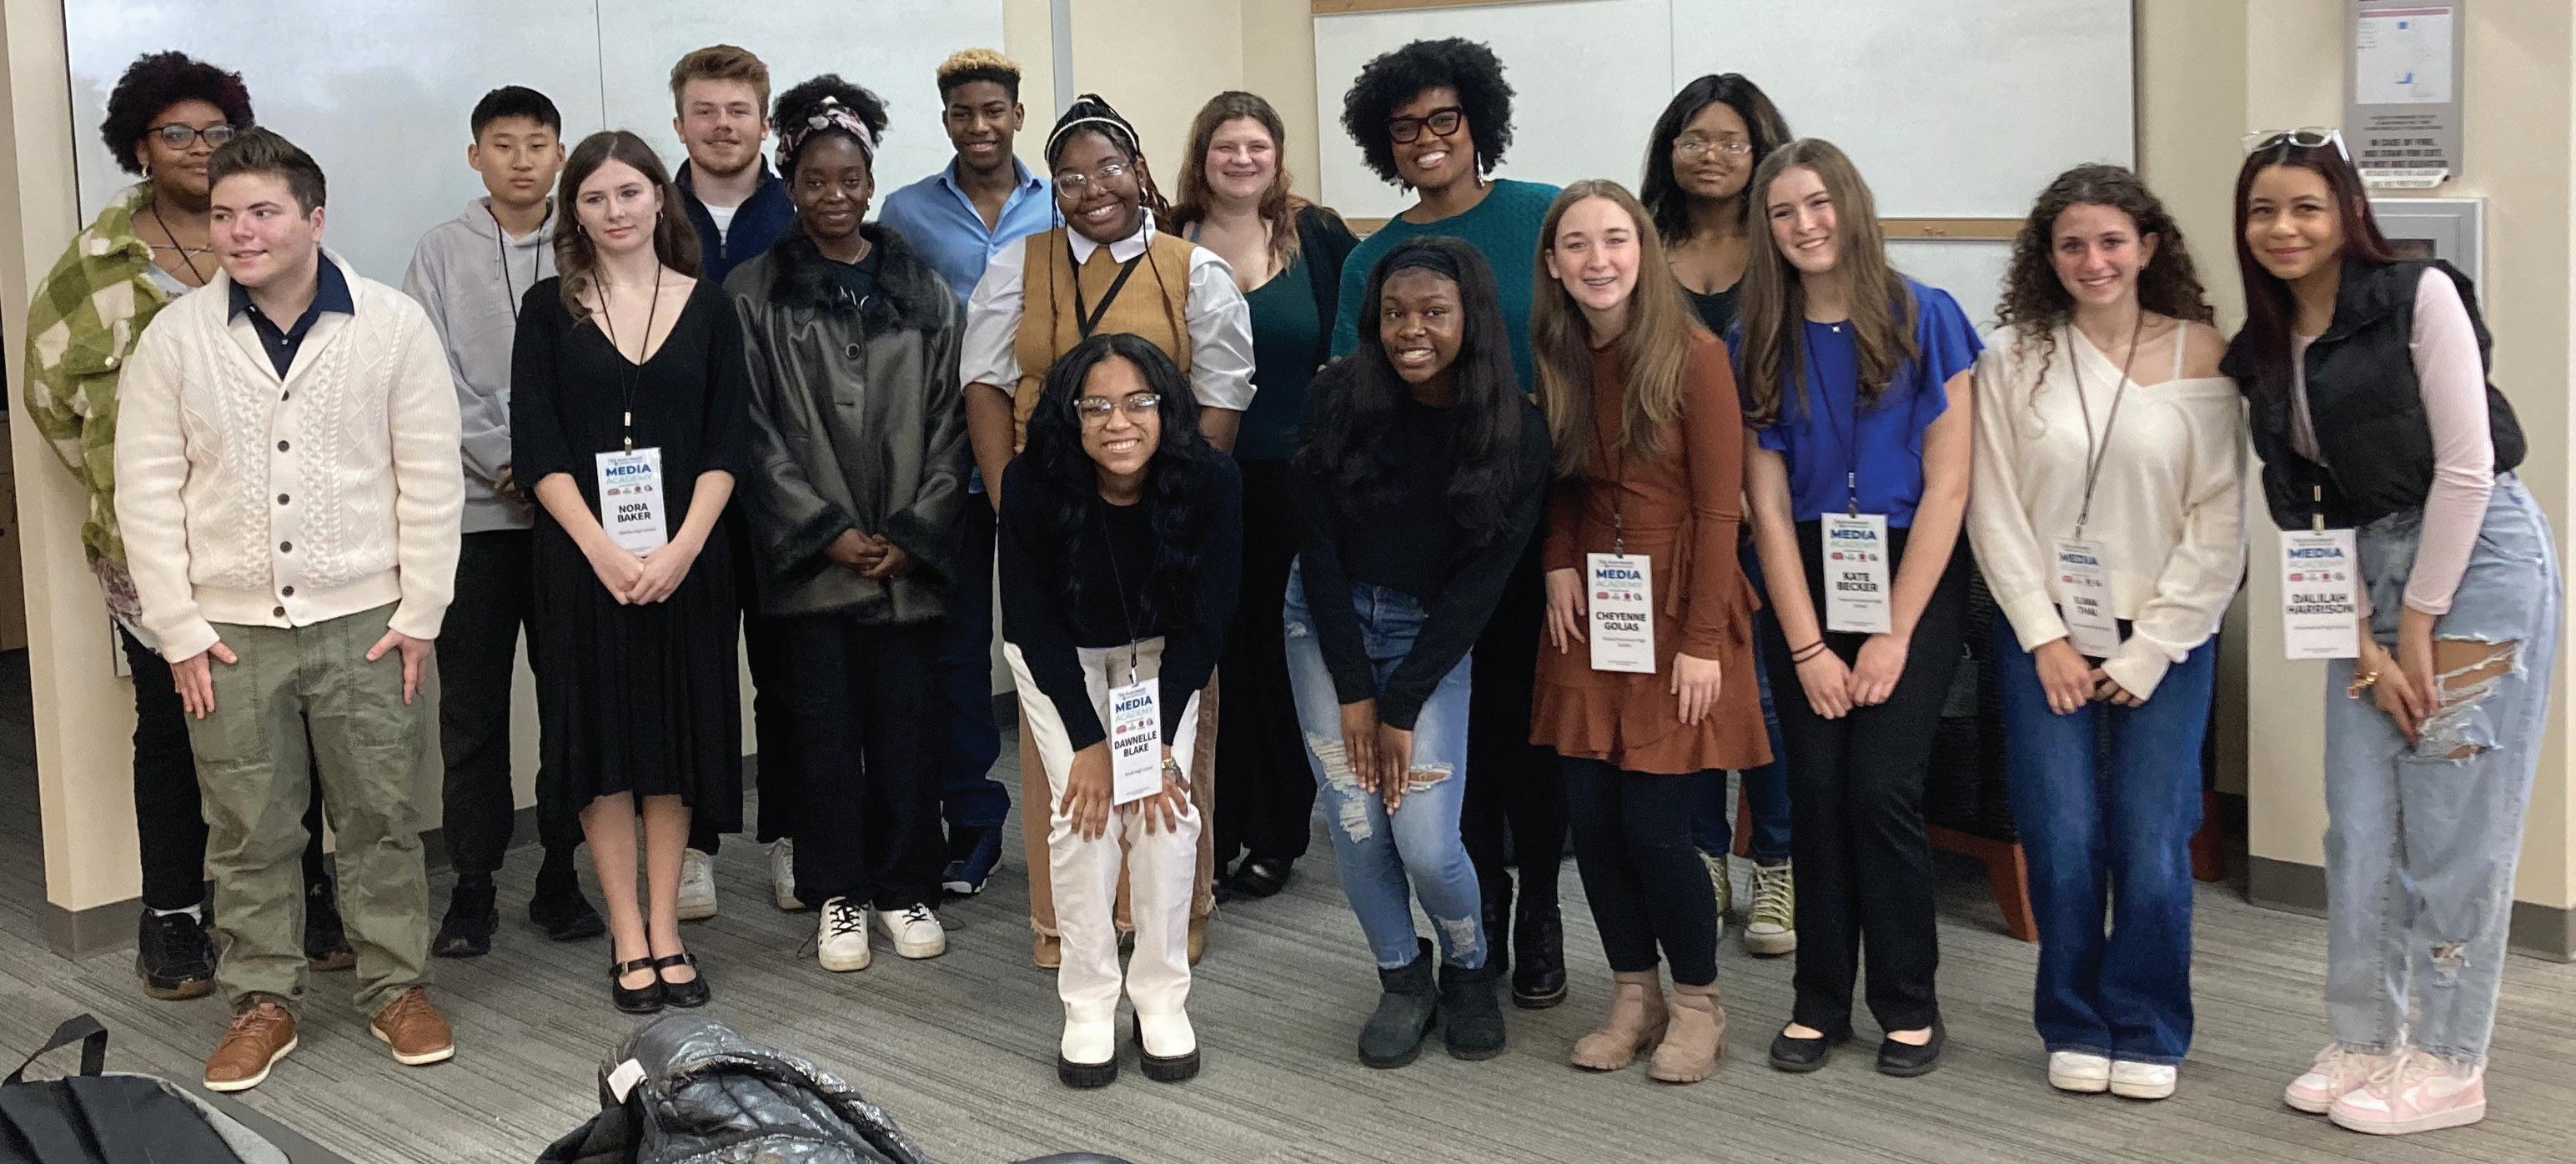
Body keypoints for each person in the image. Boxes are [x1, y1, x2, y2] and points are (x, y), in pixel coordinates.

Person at [114, 127, 463, 1090]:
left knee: (381, 813)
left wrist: (421, 611)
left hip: (370, 623)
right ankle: (262, 999)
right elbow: (145, 490)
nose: (240, 232)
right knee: (248, 826)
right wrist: (179, 628)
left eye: (263, 212)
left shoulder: (391, 325)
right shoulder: (176, 337)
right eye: (225, 215)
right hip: (229, 634)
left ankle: (395, 986)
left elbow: (430, 479)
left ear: (314, 218)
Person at [2225, 129, 2556, 1136]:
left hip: (2472, 562)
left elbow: (2464, 467)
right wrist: (2362, 643)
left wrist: (2414, 621)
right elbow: (2300, 509)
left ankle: (2449, 1060)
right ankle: (2366, 1037)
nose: (2283, 228)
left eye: (2305, 207)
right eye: (2262, 211)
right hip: (2354, 575)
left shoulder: (2417, 295)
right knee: (2359, 825)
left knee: (2454, 825)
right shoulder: (2260, 346)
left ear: (2347, 213)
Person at [22, 49, 353, 1002]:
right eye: (176, 132)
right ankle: (172, 916)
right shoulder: (93, 268)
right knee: (174, 727)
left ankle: (310, 894)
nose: (198, 147)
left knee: (298, 722)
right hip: (156, 549)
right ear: (139, 145)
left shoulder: (273, 248)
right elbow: (51, 402)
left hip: (282, 542)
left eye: (216, 131)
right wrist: (133, 491)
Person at [1968, 165, 2241, 1101]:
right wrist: (2041, 634)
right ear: (2046, 257)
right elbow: (1992, 508)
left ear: (2147, 247)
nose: (2094, 260)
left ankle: (2148, 1022)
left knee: (2152, 837)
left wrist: (2153, 644)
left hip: (2167, 634)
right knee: (2061, 834)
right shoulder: (2013, 359)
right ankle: (2074, 1019)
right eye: (2072, 244)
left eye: (2111, 241)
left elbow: (2218, 516)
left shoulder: (2203, 353)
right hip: (2042, 631)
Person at [962, 93, 1253, 970]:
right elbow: (985, 385)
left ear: (1140, 173)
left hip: (1162, 523)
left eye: (1109, 168)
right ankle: (1066, 923)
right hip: (1053, 521)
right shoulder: (1017, 266)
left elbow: (1220, 398)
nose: (1093, 189)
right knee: (1061, 729)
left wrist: (1180, 507)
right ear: (1051, 189)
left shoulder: (1192, 271)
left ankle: (1173, 909)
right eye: (1070, 177)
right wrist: (1014, 507)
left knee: (1176, 722)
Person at [1735, 138, 1980, 1077]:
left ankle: (1907, 1000)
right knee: (1816, 788)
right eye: (1782, 213)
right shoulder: (1756, 336)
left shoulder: (1927, 316)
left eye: (1817, 203)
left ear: (1850, 203)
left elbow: (1950, 486)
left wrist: (1891, 634)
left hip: (1909, 568)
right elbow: (1763, 506)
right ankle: (1819, 1000)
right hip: (1802, 571)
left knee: (1880, 788)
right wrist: (1805, 648)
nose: (1804, 225)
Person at [1333, 36, 1569, 1011]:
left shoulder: (1543, 216)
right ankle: (1486, 904)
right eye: (1404, 127)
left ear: (1478, 122)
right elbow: (1356, 400)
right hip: (1432, 543)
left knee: (1529, 729)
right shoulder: (1371, 260)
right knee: (1459, 741)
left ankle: (1540, 909)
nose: (1426, 138)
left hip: (1538, 514)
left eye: (1443, 118)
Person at [1286, 238, 1544, 1068]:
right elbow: (1316, 550)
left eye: (1433, 312)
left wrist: (1398, 703)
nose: (1411, 331)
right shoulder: (1335, 396)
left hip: (1428, 637)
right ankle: (1402, 978)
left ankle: (1467, 969)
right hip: (1324, 626)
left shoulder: (1515, 425)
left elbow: (1481, 585)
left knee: (1428, 842)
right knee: (1357, 826)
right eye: (1394, 313)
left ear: (1471, 318)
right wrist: (1354, 689)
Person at [1531, 181, 1767, 1084]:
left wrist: (1703, 641)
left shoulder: (1695, 355)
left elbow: (1719, 510)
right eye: (1577, 243)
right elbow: (1561, 480)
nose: (1598, 259)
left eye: (1615, 239)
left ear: (1643, 252)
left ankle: (1699, 1000)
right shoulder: (1558, 350)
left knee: (1657, 827)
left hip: (1678, 604)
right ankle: (1635, 993)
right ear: (1553, 262)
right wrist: (1558, 558)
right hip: (1590, 606)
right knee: (1591, 821)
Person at [730, 76, 966, 971]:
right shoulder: (752, 294)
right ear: (790, 184)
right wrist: (823, 528)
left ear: (871, 182)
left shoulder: (925, 289)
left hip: (906, 563)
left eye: (850, 179)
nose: (835, 195)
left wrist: (913, 529)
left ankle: (905, 887)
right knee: (820, 737)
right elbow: (750, 432)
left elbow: (952, 422)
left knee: (907, 732)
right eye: (815, 180)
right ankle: (838, 893)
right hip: (811, 567)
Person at [513, 130, 746, 1015]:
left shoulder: (709, 306)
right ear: (573, 213)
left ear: (659, 198)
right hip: (583, 566)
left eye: (629, 193)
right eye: (594, 198)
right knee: (601, 746)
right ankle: (625, 930)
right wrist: (603, 549)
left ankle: (667, 927)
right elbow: (537, 446)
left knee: (672, 747)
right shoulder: (548, 310)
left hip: (687, 562)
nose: (614, 211)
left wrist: (680, 548)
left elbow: (728, 442)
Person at [999, 333, 1239, 1088]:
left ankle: (1161, 996)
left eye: (1138, 402)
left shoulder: (1210, 480)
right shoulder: (1032, 481)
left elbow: (1208, 621)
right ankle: (1089, 1001)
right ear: (1069, 416)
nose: (1118, 422)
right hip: (1062, 661)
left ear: (1167, 408)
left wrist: (1156, 744)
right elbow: (1030, 621)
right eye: (1095, 406)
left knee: (1165, 811)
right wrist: (1089, 744)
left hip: (1162, 661)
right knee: (1085, 817)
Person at [401, 83, 604, 958]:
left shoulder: (591, 241)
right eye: (503, 143)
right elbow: (426, 378)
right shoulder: (440, 252)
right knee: (474, 714)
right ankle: (473, 886)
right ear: (475, 155)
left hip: (576, 524)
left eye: (537, 143)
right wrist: (510, 460)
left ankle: (561, 874)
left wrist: (553, 468)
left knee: (571, 706)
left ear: (560, 153)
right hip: (475, 524)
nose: (522, 160)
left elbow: (607, 374)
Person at [1167, 90, 1360, 904]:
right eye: (1225, 146)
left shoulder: (1316, 236)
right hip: (1197, 481)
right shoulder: (1169, 238)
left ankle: (1277, 833)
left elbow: (1357, 346)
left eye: (1256, 146)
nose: (1241, 160)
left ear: (1277, 157)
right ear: (1201, 156)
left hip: (1298, 483)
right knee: (1214, 658)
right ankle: (1215, 825)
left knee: (1285, 659)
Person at [876, 47, 1056, 900]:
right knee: (953, 650)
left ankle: (1070, 817)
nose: (978, 126)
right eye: (962, 114)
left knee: (1047, 636)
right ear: (945, 120)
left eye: (993, 111)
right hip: (944, 462)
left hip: (1042, 459)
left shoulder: (1060, 201)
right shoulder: (905, 213)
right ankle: (974, 822)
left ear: (1017, 115)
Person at [1640, 73, 1799, 956]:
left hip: (1766, 504)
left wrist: (1746, 483)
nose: (1710, 155)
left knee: (1766, 691)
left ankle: (1777, 858)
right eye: (1693, 138)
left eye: (1730, 141)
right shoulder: (1643, 244)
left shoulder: (1782, 245)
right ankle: (1704, 851)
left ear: (1759, 150)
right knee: (1687, 682)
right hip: (1671, 508)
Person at [667, 44, 791, 915]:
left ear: (764, 123)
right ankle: (694, 846)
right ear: (679, 124)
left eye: (737, 110)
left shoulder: (804, 209)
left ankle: (792, 832)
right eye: (704, 111)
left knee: (787, 671)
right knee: (692, 676)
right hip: (678, 489)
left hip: (785, 483)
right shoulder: (646, 212)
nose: (721, 126)